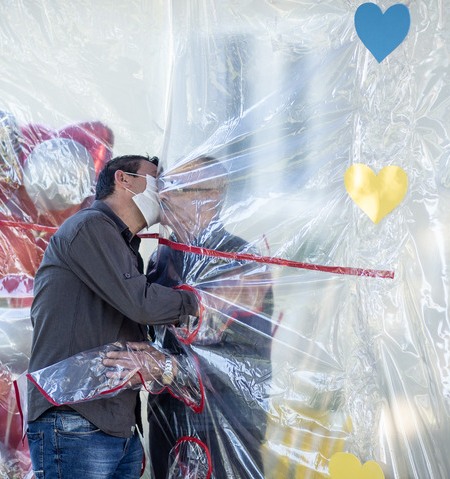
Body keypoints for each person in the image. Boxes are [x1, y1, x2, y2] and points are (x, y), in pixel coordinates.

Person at [25, 154, 200, 479]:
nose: (166, 190)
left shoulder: (124, 245)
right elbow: (142, 304)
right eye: (157, 178)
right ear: (124, 179)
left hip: (115, 423)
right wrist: (200, 301)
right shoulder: (91, 227)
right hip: (75, 418)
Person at [142, 156, 274, 479]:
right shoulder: (161, 259)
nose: (164, 196)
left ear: (211, 198)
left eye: (179, 189)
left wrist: (171, 368)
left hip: (221, 425)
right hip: (166, 419)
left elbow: (243, 364)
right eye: (165, 187)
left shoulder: (241, 264)